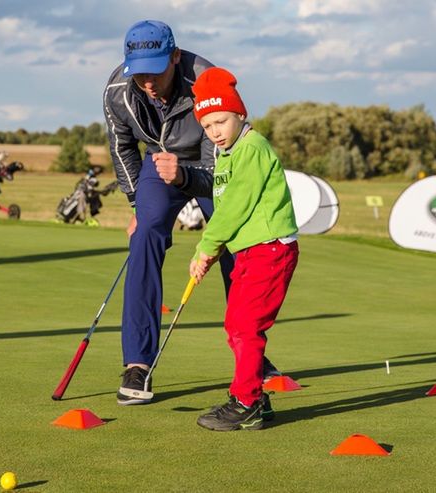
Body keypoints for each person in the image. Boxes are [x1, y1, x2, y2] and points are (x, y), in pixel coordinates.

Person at [103, 20, 240, 405]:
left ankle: (251, 358)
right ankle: (138, 364)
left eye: (156, 68)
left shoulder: (208, 82)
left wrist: (183, 177)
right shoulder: (117, 92)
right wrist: (136, 204)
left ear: (176, 57)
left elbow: (219, 170)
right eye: (139, 70)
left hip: (217, 159)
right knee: (145, 234)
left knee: (235, 243)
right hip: (160, 162)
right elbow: (123, 148)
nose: (147, 80)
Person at [188, 67, 299, 431]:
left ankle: (246, 402)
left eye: (220, 121)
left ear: (240, 114)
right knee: (236, 325)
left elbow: (236, 204)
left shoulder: (251, 148)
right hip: (249, 250)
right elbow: (230, 211)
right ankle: (254, 399)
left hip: (269, 249)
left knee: (246, 325)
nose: (215, 131)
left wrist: (207, 246)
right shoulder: (228, 152)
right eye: (207, 126)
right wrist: (216, 248)